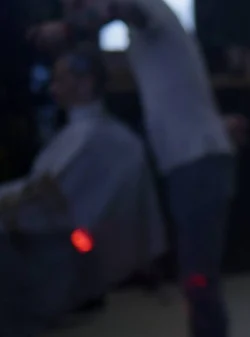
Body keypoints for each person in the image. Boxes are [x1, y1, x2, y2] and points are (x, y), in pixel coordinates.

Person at [29, 1, 234, 336]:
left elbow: (121, 9)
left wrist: (67, 29)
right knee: (197, 279)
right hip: (193, 161)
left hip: (198, 161)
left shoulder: (151, 10)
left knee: (199, 280)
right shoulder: (145, 42)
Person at [0, 43, 166, 302]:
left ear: (86, 84)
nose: (52, 85)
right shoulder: (113, 137)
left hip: (68, 248)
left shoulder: (89, 139)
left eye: (59, 79)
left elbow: (44, 196)